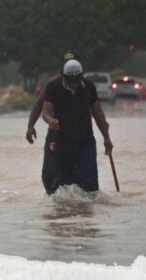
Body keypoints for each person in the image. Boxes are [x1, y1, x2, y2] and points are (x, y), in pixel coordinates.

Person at [40, 59, 113, 194]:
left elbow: (97, 112)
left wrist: (107, 139)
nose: (74, 84)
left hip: (85, 140)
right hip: (61, 141)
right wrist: (50, 120)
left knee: (90, 185)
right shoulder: (53, 86)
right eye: (70, 81)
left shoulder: (88, 86)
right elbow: (45, 111)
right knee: (60, 187)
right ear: (64, 77)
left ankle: (87, 211)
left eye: (77, 81)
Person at [25, 51, 79, 193]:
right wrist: (30, 126)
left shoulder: (85, 85)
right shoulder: (53, 84)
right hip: (55, 133)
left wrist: (105, 135)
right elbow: (39, 106)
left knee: (73, 175)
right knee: (48, 174)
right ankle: (55, 200)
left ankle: (73, 203)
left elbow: (95, 110)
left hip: (77, 136)